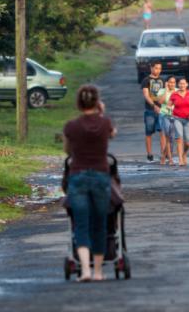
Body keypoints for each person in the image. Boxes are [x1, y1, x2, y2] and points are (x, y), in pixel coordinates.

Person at [63, 85, 116, 281]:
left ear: (78, 103)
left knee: (81, 224)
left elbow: (68, 152)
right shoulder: (105, 124)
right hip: (101, 177)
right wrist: (102, 113)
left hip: (78, 177)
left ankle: (85, 270)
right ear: (97, 103)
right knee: (100, 224)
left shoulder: (71, 127)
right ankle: (98, 272)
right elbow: (112, 133)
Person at [168, 77, 189, 166]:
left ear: (187, 84)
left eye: (183, 83)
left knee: (188, 142)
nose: (182, 85)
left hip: (188, 120)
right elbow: (169, 105)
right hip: (177, 118)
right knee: (179, 138)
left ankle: (184, 153)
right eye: (180, 84)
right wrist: (169, 108)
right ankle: (180, 159)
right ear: (178, 85)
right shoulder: (174, 95)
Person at [141, 61, 164, 162]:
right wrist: (154, 105)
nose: (158, 70)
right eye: (156, 68)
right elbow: (146, 95)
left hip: (162, 110)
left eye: (159, 68)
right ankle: (149, 154)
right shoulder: (146, 80)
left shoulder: (162, 80)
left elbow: (165, 94)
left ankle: (164, 153)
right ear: (151, 68)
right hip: (150, 110)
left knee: (163, 131)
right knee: (149, 132)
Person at [157, 76, 178, 165]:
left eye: (173, 82)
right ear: (167, 83)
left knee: (172, 138)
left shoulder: (178, 91)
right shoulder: (161, 91)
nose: (172, 84)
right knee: (168, 137)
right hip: (164, 115)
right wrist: (166, 90)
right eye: (170, 82)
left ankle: (163, 156)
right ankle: (170, 159)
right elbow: (161, 102)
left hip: (175, 116)